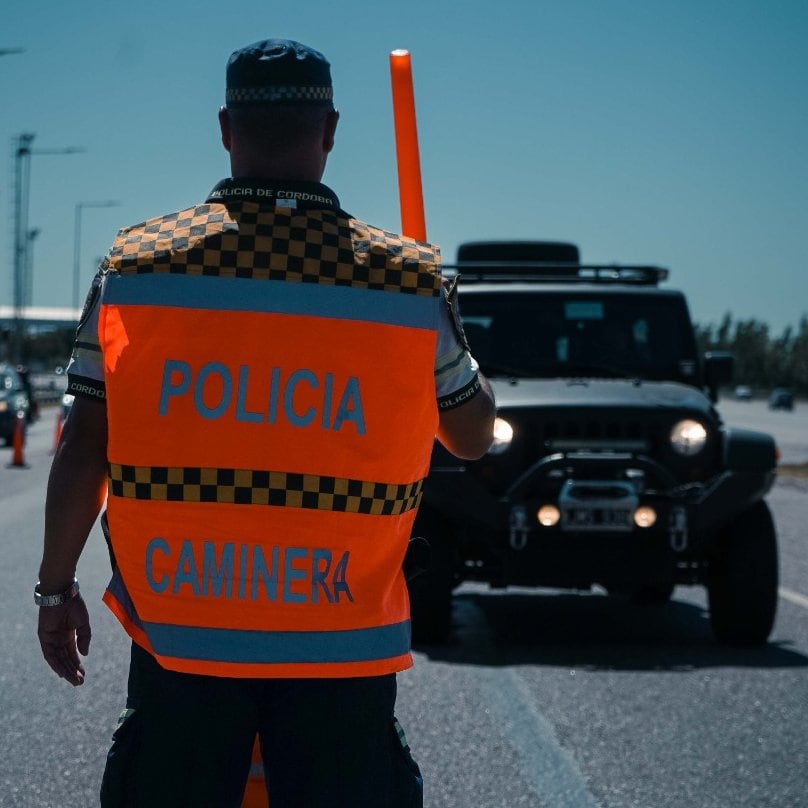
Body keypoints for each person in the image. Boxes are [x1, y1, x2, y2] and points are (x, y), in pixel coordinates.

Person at [35, 38, 496, 807]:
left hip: (183, 642)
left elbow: (86, 442)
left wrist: (56, 591)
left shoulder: (138, 267)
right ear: (331, 129)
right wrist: (457, 356)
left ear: (225, 128)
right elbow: (473, 436)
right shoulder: (404, 280)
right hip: (341, 646)